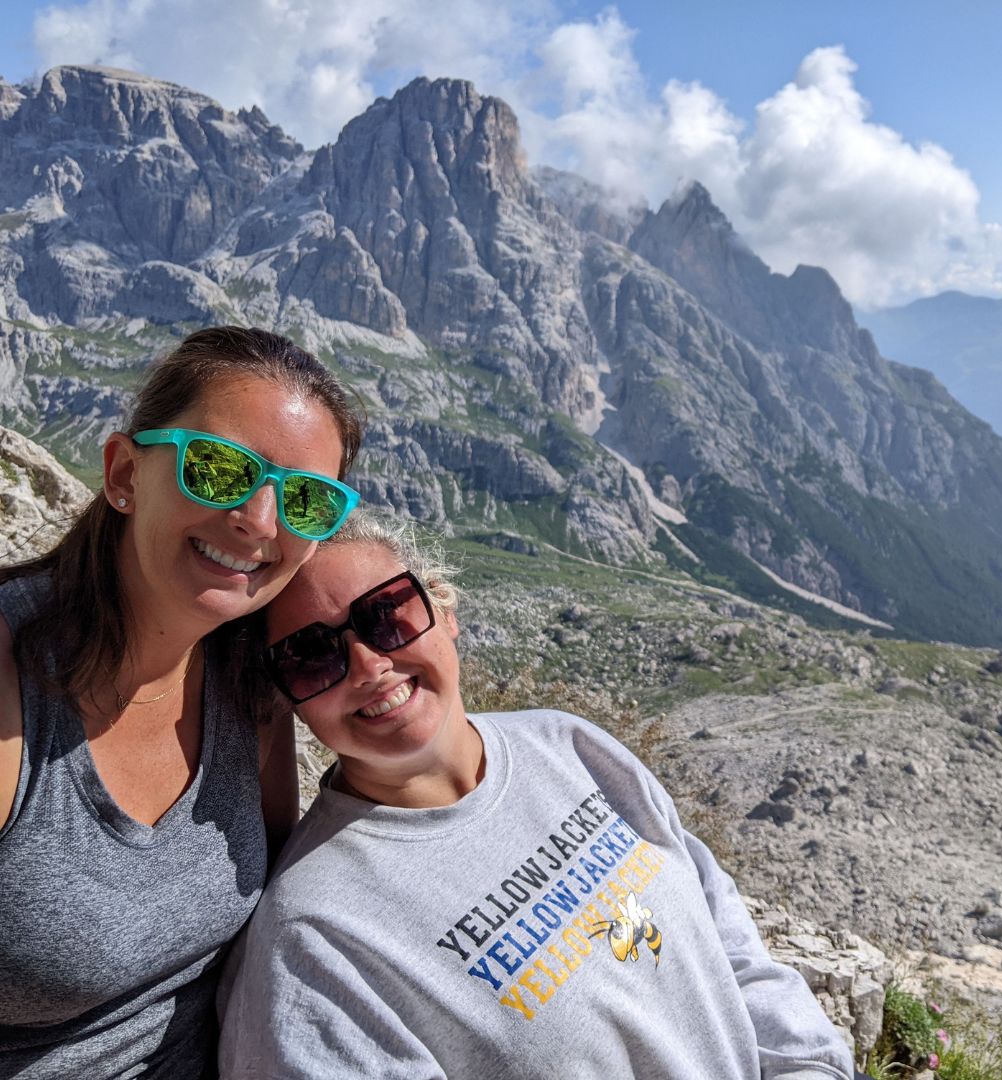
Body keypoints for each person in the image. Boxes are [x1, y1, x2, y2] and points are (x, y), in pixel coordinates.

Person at [218, 513, 855, 1080]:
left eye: (386, 615)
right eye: (310, 656)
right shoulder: (317, 937)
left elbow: (728, 944)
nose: (367, 665)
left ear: (442, 608)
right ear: (286, 698)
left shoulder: (571, 745)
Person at [0, 325, 364, 1079]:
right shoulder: (13, 687)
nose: (261, 521)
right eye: (221, 468)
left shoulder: (249, 684)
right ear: (124, 473)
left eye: (306, 499)